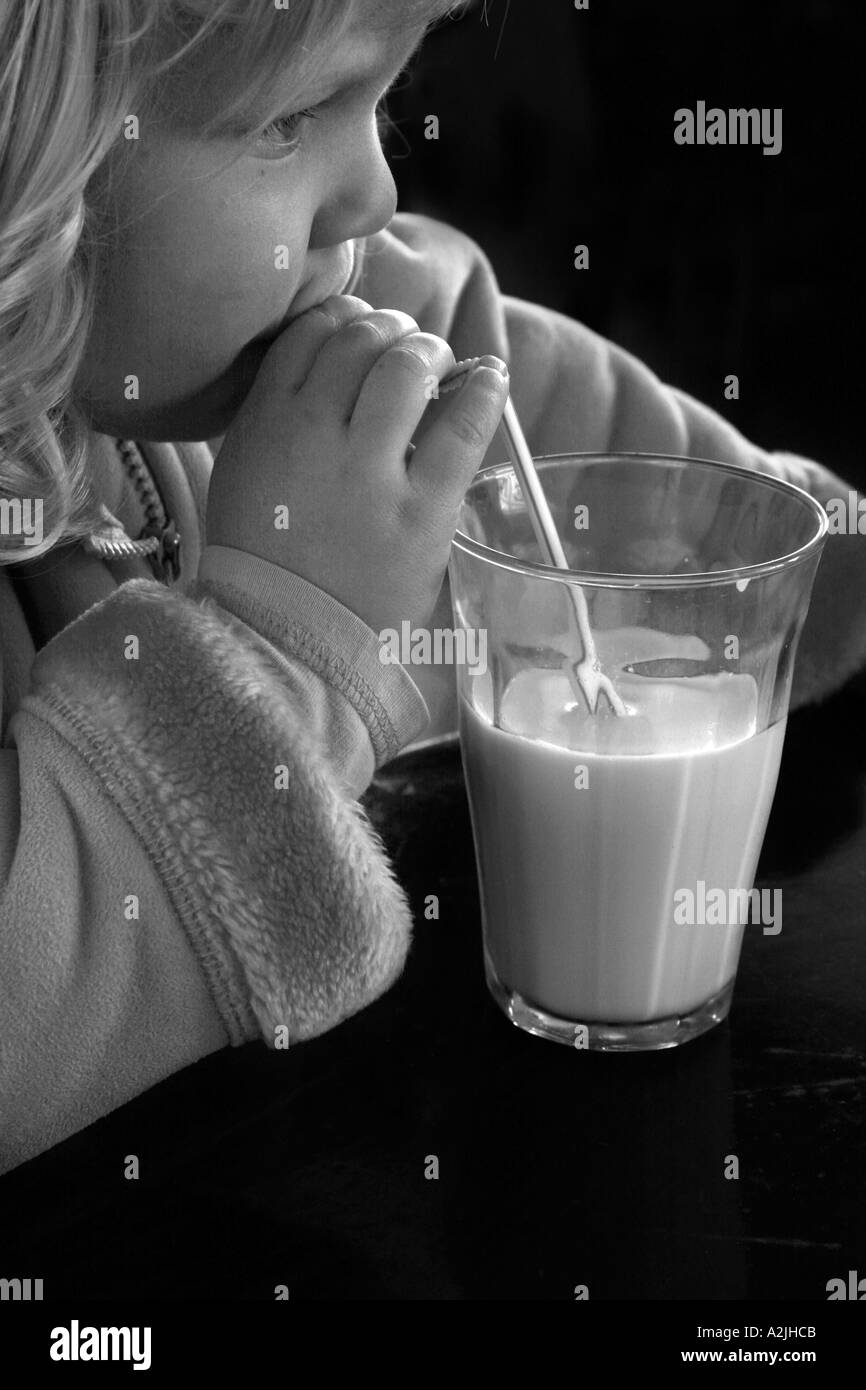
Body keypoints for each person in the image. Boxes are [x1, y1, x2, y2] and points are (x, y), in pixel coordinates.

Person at [1, 0, 864, 1177]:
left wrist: (827, 562)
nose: (374, 194)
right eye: (291, 118)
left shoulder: (285, 340)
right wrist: (285, 639)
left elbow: (680, 516)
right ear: (30, 161)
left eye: (383, 101)